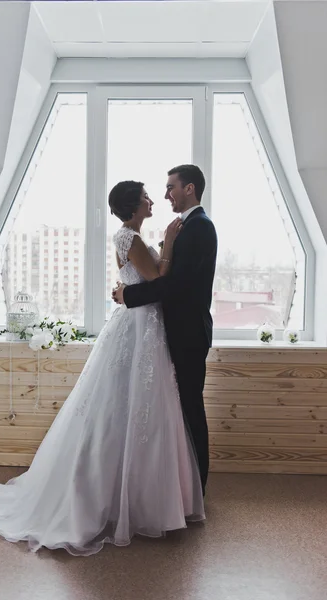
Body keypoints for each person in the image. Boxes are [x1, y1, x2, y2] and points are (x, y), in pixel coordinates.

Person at [0, 180, 205, 557]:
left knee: (138, 408)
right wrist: (168, 241)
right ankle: (113, 498)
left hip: (143, 325)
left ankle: (142, 497)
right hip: (137, 328)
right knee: (122, 407)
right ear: (134, 206)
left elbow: (142, 281)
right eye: (148, 196)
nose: (154, 199)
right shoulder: (129, 238)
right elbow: (157, 278)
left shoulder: (130, 236)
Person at [113, 165, 217, 496]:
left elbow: (174, 285)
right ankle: (175, 487)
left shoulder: (199, 227)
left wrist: (127, 295)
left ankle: (195, 488)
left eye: (170, 187)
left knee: (189, 408)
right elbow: (162, 275)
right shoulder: (184, 227)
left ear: (189, 188)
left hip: (187, 333)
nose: (164, 194)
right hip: (165, 331)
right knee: (174, 409)